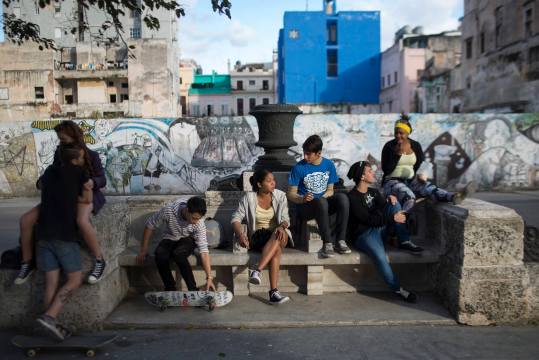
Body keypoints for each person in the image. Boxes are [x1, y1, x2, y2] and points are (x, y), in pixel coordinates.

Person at [15, 121, 107, 286]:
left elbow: (102, 178)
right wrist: (42, 181)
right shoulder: (60, 153)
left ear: (73, 136)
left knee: (81, 221)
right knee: (26, 220)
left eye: (63, 139)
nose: (60, 142)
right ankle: (26, 262)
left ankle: (100, 260)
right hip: (62, 196)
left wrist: (92, 182)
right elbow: (54, 171)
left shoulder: (91, 155)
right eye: (60, 139)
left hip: (85, 196)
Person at [35, 143, 93, 340]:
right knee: (75, 279)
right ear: (75, 159)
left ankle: (49, 323)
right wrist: (88, 188)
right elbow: (86, 200)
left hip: (42, 234)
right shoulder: (79, 172)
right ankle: (50, 317)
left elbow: (42, 186)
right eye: (82, 157)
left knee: (51, 281)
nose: (84, 160)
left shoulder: (50, 171)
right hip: (64, 236)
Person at [347, 160, 419, 303]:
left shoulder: (374, 192)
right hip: (365, 235)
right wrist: (392, 217)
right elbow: (368, 220)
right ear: (362, 177)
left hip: (380, 229)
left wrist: (389, 201)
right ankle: (398, 289)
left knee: (394, 203)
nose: (372, 173)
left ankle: (404, 240)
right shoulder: (352, 197)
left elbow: (383, 210)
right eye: (369, 171)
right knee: (380, 257)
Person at [381, 114, 476, 212]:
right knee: (409, 197)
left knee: (430, 189)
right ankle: (405, 223)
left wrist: (422, 175)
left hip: (411, 181)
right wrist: (398, 154)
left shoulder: (415, 146)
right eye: (396, 133)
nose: (398, 135)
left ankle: (454, 197)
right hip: (391, 182)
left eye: (401, 133)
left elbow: (421, 163)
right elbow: (386, 169)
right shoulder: (389, 147)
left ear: (408, 133)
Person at [231, 169, 293, 305]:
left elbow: (285, 218)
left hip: (279, 233)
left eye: (273, 180)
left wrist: (282, 226)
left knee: (277, 234)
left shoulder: (280, 196)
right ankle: (273, 293)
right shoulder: (249, 198)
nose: (273, 183)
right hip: (259, 237)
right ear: (259, 184)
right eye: (269, 181)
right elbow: (236, 218)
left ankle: (257, 270)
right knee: (276, 251)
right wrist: (240, 234)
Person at [287, 135, 350, 258]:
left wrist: (323, 197)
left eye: (308, 154)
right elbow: (290, 194)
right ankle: (328, 243)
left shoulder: (329, 165)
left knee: (343, 198)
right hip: (306, 207)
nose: (305, 157)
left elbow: (331, 190)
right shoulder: (298, 167)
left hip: (323, 204)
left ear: (319, 153)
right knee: (321, 202)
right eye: (304, 153)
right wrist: (302, 198)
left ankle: (341, 240)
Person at [136, 196, 216, 292]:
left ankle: (193, 290)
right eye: (194, 218)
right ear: (187, 210)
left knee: (178, 254)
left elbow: (204, 251)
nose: (195, 222)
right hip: (170, 236)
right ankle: (170, 288)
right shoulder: (168, 211)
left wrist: (209, 278)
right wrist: (143, 250)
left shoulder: (199, 224)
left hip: (188, 238)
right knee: (160, 254)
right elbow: (150, 225)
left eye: (198, 219)